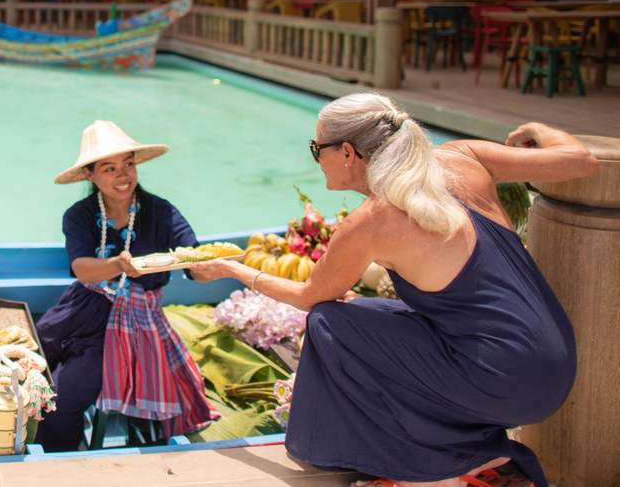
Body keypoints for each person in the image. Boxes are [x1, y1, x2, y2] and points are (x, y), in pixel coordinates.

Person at [189, 93, 597, 487]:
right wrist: (538, 128)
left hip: (502, 384)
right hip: (556, 371)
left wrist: (234, 269)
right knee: (363, 310)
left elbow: (309, 297)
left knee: (330, 322)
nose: (317, 160)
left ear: (348, 153)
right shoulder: (462, 157)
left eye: (317, 149)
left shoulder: (373, 220)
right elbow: (581, 162)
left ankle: (433, 465)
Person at [34, 120, 217, 452]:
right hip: (81, 308)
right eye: (109, 168)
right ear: (89, 175)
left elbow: (193, 259)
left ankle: (56, 460)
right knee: (33, 359)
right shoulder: (79, 215)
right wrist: (118, 264)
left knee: (64, 398)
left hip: (135, 323)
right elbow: (82, 269)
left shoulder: (161, 212)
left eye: (128, 164)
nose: (123, 176)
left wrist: (209, 268)